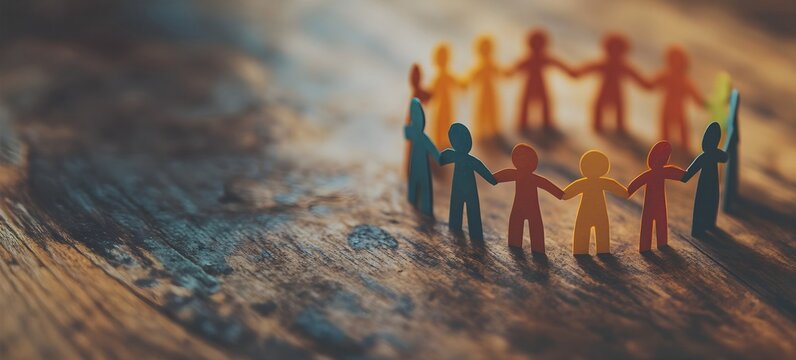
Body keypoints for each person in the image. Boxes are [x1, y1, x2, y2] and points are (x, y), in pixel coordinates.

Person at [573, 33, 652, 133]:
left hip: (616, 92)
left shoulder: (622, 66)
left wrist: (648, 84)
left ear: (624, 51)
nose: (615, 52)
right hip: (604, 91)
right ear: (607, 48)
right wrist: (575, 73)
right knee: (598, 107)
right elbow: (587, 69)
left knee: (619, 110)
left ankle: (619, 128)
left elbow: (637, 78)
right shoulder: (605, 64)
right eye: (612, 48)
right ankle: (598, 126)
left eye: (618, 49)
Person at [493, 144, 563, 252]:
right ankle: (520, 244)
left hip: (530, 207)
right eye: (519, 157)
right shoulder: (517, 174)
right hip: (521, 207)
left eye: (525, 158)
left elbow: (546, 185)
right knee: (518, 223)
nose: (522, 160)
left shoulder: (532, 178)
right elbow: (502, 175)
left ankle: (536, 247)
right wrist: (491, 178)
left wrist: (561, 194)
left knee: (534, 225)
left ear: (533, 162)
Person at [507, 29, 576, 130]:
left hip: (534, 84)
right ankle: (528, 122)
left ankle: (537, 122)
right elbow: (558, 64)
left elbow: (514, 69)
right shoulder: (533, 59)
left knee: (538, 102)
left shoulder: (533, 59)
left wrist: (507, 73)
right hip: (535, 84)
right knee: (531, 102)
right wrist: (571, 72)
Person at [562, 150, 628, 254]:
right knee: (598, 229)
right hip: (596, 212)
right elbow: (621, 191)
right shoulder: (599, 182)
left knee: (590, 229)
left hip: (589, 212)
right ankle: (596, 249)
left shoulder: (586, 183)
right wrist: (627, 193)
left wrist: (560, 194)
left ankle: (585, 250)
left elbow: (565, 195)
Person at [439, 123, 497, 240]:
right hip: (460, 188)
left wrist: (492, 180)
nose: (461, 144)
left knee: (470, 208)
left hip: (466, 189)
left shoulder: (459, 157)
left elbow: (481, 168)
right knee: (462, 207)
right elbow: (441, 159)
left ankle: (468, 230)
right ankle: (461, 228)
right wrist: (493, 180)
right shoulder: (455, 156)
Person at [627, 141, 686, 251]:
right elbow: (682, 176)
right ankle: (655, 244)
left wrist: (626, 193)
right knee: (655, 222)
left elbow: (633, 186)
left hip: (654, 204)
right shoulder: (662, 172)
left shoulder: (655, 173)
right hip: (657, 204)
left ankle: (650, 245)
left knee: (651, 223)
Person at [649, 46, 706, 152]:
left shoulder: (685, 81)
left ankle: (684, 148)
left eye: (678, 60)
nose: (675, 63)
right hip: (666, 109)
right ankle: (662, 149)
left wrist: (703, 103)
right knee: (664, 133)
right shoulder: (666, 76)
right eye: (672, 60)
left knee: (683, 131)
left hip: (679, 111)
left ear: (684, 62)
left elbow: (695, 96)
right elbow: (650, 84)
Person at [682, 122, 727, 236]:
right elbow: (725, 157)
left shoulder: (704, 156)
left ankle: (699, 228)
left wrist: (683, 177)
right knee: (712, 200)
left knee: (702, 202)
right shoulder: (716, 154)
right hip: (713, 182)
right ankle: (709, 224)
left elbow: (690, 172)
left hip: (704, 183)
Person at [466, 35, 503, 140]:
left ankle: (493, 127)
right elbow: (472, 76)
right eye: (484, 48)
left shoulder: (490, 64)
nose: (486, 50)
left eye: (488, 48)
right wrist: (464, 83)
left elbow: (500, 71)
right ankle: (481, 128)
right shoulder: (480, 66)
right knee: (481, 110)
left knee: (492, 109)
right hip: (483, 92)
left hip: (490, 91)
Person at [429, 42, 465, 148]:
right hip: (441, 105)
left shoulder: (447, 76)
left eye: (444, 57)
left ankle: (446, 141)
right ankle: (438, 141)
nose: (443, 60)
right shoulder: (438, 78)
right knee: (439, 122)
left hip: (447, 104)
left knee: (448, 122)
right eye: (441, 57)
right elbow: (431, 91)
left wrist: (464, 84)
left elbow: (458, 83)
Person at [404, 64, 433, 177]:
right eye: (413, 77)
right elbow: (428, 96)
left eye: (416, 77)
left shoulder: (418, 92)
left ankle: (411, 171)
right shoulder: (416, 92)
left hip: (415, 126)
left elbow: (429, 96)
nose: (414, 79)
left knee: (414, 149)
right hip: (413, 126)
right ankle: (409, 171)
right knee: (412, 150)